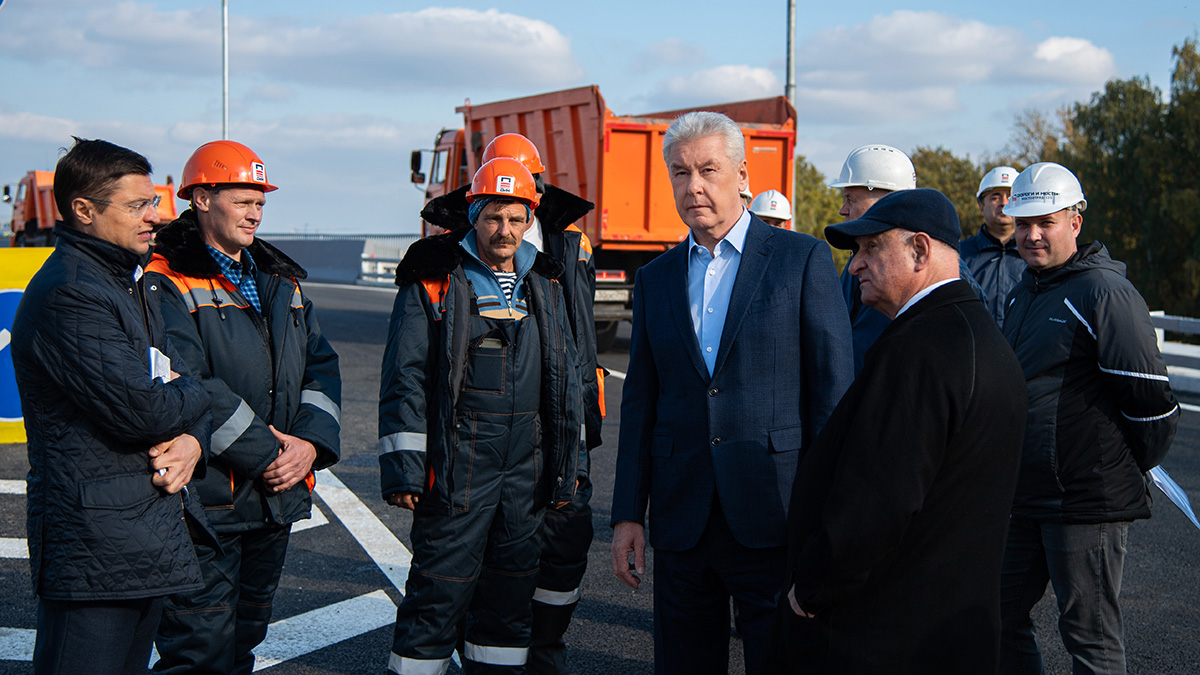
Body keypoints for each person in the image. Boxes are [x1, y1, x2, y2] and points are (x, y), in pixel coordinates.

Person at [610, 111, 853, 675]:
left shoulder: (801, 259)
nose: (693, 186)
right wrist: (628, 514)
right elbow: (641, 402)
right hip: (681, 519)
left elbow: (832, 397)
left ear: (742, 175)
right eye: (679, 173)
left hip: (774, 513)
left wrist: (829, 521)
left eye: (708, 170)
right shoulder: (656, 279)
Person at [767, 188, 1028, 673]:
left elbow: (875, 505)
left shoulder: (919, 350)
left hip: (881, 638)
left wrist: (808, 594)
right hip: (946, 636)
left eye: (870, 248)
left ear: (920, 250)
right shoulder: (977, 336)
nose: (855, 265)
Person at [12, 137, 213, 675]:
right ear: (83, 210)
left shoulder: (127, 283)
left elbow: (178, 384)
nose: (155, 217)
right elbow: (144, 408)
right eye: (137, 205)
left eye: (152, 202)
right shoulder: (71, 293)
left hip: (138, 530)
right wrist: (194, 396)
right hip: (95, 539)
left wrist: (193, 437)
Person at [145, 140, 342, 674]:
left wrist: (309, 445)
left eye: (260, 201)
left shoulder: (281, 280)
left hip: (273, 498)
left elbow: (321, 366)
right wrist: (270, 454)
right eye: (242, 199)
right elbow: (190, 382)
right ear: (201, 199)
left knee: (243, 641)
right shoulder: (166, 279)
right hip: (207, 502)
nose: (255, 211)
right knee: (197, 648)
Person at [379, 157, 583, 674]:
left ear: (530, 219)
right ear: (473, 214)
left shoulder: (546, 281)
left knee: (509, 604)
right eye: (494, 217)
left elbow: (566, 383)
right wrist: (405, 468)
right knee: (437, 596)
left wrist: (567, 467)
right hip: (459, 466)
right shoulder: (434, 279)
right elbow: (404, 376)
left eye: (516, 219)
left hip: (526, 471)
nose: (505, 230)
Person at [998, 162, 1179, 675]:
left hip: (1085, 500)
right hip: (1026, 495)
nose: (1031, 235)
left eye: (1045, 222)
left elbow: (1154, 405)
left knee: (1090, 642)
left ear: (1075, 223)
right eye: (1023, 223)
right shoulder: (1022, 292)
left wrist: (1114, 467)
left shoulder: (1104, 293)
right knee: (995, 614)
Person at [827, 144, 916, 373]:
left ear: (886, 201)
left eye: (851, 199)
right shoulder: (854, 260)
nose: (842, 209)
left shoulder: (931, 268)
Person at [960, 166, 1025, 325]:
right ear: (981, 207)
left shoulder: (1035, 252)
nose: (1003, 203)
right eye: (995, 197)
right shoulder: (960, 254)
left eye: (1010, 196)